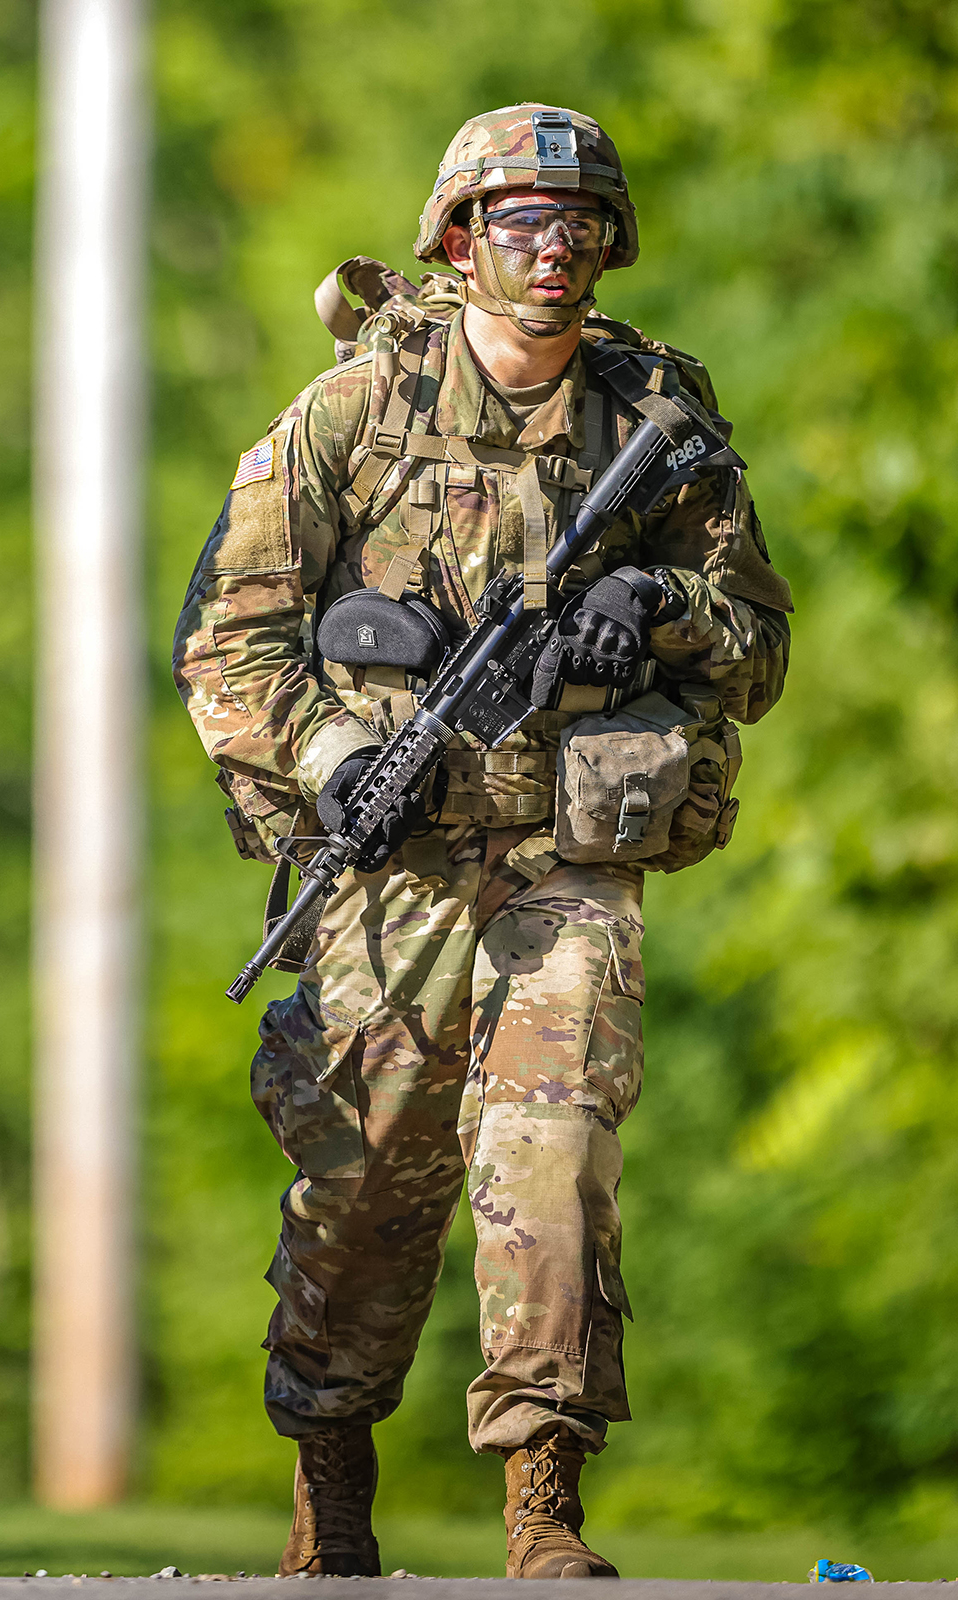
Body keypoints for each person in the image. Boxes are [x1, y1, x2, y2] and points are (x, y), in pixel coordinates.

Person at [172, 105, 794, 1579]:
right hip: (387, 855)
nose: (554, 250)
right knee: (365, 1173)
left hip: (566, 852)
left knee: (555, 1151)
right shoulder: (350, 416)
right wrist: (336, 761)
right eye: (520, 221)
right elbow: (225, 640)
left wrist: (658, 610)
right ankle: (331, 1466)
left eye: (579, 225)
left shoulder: (656, 417)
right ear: (456, 238)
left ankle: (544, 1496)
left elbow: (756, 646)